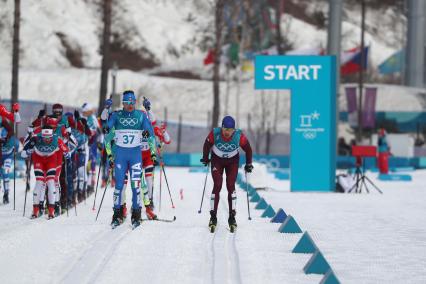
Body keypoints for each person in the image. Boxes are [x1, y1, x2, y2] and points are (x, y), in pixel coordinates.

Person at [102, 90, 154, 228]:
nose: (130, 105)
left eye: (132, 102)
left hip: (135, 156)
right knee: (119, 186)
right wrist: (109, 154)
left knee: (136, 186)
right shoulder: (117, 115)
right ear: (123, 103)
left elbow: (151, 132)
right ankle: (117, 214)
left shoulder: (141, 115)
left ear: (135, 102)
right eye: (127, 102)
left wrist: (152, 149)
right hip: (120, 157)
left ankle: (136, 215)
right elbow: (106, 132)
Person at [201, 115, 253, 232]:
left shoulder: (239, 136)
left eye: (230, 130)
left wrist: (248, 164)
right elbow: (207, 144)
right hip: (217, 161)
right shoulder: (215, 133)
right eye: (225, 129)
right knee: (217, 184)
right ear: (222, 128)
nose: (227, 132)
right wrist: (205, 157)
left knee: (230, 185)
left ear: (234, 130)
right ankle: (213, 216)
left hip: (232, 162)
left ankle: (232, 217)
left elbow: (248, 149)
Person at [22, 125, 69, 219]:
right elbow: (23, 153)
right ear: (41, 135)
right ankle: (35, 211)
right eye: (45, 138)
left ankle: (51, 211)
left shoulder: (57, 139)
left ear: (52, 135)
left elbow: (67, 151)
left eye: (49, 138)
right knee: (39, 182)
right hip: (38, 159)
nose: (47, 140)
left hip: (51, 159)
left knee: (51, 182)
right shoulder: (36, 138)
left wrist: (67, 154)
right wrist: (29, 148)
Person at [0, 119, 17, 204]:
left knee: (5, 172)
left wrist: (15, 148)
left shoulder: (10, 135)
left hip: (8, 156)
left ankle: (6, 193)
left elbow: (19, 146)